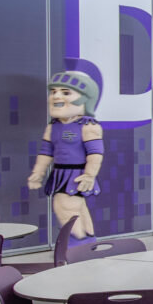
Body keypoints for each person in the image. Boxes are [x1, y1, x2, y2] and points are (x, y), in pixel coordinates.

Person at [27, 69, 106, 244]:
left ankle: (76, 246)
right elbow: (46, 152)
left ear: (85, 97)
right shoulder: (53, 126)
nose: (56, 96)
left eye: (65, 92)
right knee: (78, 208)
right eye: (53, 92)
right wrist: (38, 172)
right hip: (59, 174)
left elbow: (95, 153)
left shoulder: (88, 126)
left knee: (65, 207)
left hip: (76, 174)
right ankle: (88, 243)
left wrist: (90, 174)